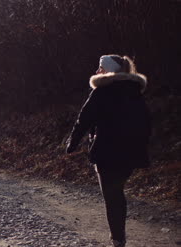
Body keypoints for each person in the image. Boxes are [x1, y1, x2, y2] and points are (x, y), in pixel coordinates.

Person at [66, 55, 151, 247]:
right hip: (131, 152)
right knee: (117, 192)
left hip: (106, 151)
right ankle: (118, 236)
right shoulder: (134, 91)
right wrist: (142, 144)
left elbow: (83, 120)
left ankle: (118, 239)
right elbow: (146, 121)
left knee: (112, 195)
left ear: (108, 71)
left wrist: (72, 143)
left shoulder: (101, 92)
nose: (97, 72)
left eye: (100, 68)